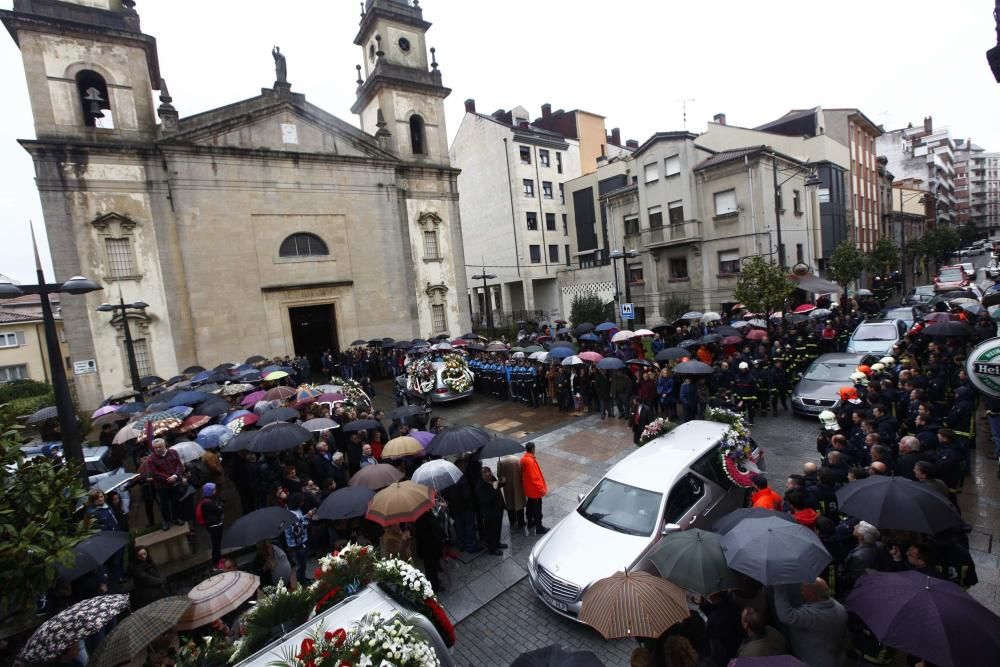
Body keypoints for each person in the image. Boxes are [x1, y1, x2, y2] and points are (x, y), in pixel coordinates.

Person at [774, 578, 847, 667]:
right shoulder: (840, 608)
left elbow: (786, 616)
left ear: (811, 595)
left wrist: (778, 584)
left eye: (803, 590)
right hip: (835, 657)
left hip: (814, 663)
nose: (801, 592)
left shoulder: (813, 616)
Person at [145, 437, 186, 530]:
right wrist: (167, 478)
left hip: (175, 482)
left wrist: (175, 476)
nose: (158, 449)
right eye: (156, 448)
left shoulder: (173, 453)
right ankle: (167, 521)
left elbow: (179, 465)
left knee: (176, 501)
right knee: (164, 504)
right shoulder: (151, 459)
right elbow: (154, 472)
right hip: (162, 486)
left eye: (160, 447)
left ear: (165, 445)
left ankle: (176, 518)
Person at [475, 465, 507, 555]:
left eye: (490, 473)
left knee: (498, 527)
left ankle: (497, 543)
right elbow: (487, 500)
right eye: (487, 475)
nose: (489, 476)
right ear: (482, 475)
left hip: (498, 508)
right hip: (490, 512)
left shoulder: (492, 478)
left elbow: (497, 485)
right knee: (491, 531)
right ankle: (492, 548)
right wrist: (494, 488)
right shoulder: (479, 486)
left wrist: (503, 482)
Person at [284, 493, 313, 586]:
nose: (302, 503)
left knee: (303, 563)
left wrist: (306, 516)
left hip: (302, 540)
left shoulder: (297, 510)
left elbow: (299, 520)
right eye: (301, 501)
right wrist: (308, 522)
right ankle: (301, 582)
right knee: (301, 565)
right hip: (297, 544)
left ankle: (303, 578)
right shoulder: (290, 515)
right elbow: (296, 531)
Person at [520, 442, 548, 534]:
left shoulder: (524, 459)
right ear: (532, 449)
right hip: (535, 491)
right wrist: (541, 490)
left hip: (529, 489)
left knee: (530, 506)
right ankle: (539, 527)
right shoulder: (530, 461)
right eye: (534, 448)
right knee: (537, 509)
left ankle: (530, 522)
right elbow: (535, 477)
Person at [196, 482, 225, 564]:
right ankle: (216, 561)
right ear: (209, 492)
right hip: (215, 527)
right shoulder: (208, 503)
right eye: (214, 490)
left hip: (213, 526)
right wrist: (220, 507)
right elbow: (219, 511)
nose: (215, 491)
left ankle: (218, 558)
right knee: (216, 545)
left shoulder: (207, 501)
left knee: (217, 544)